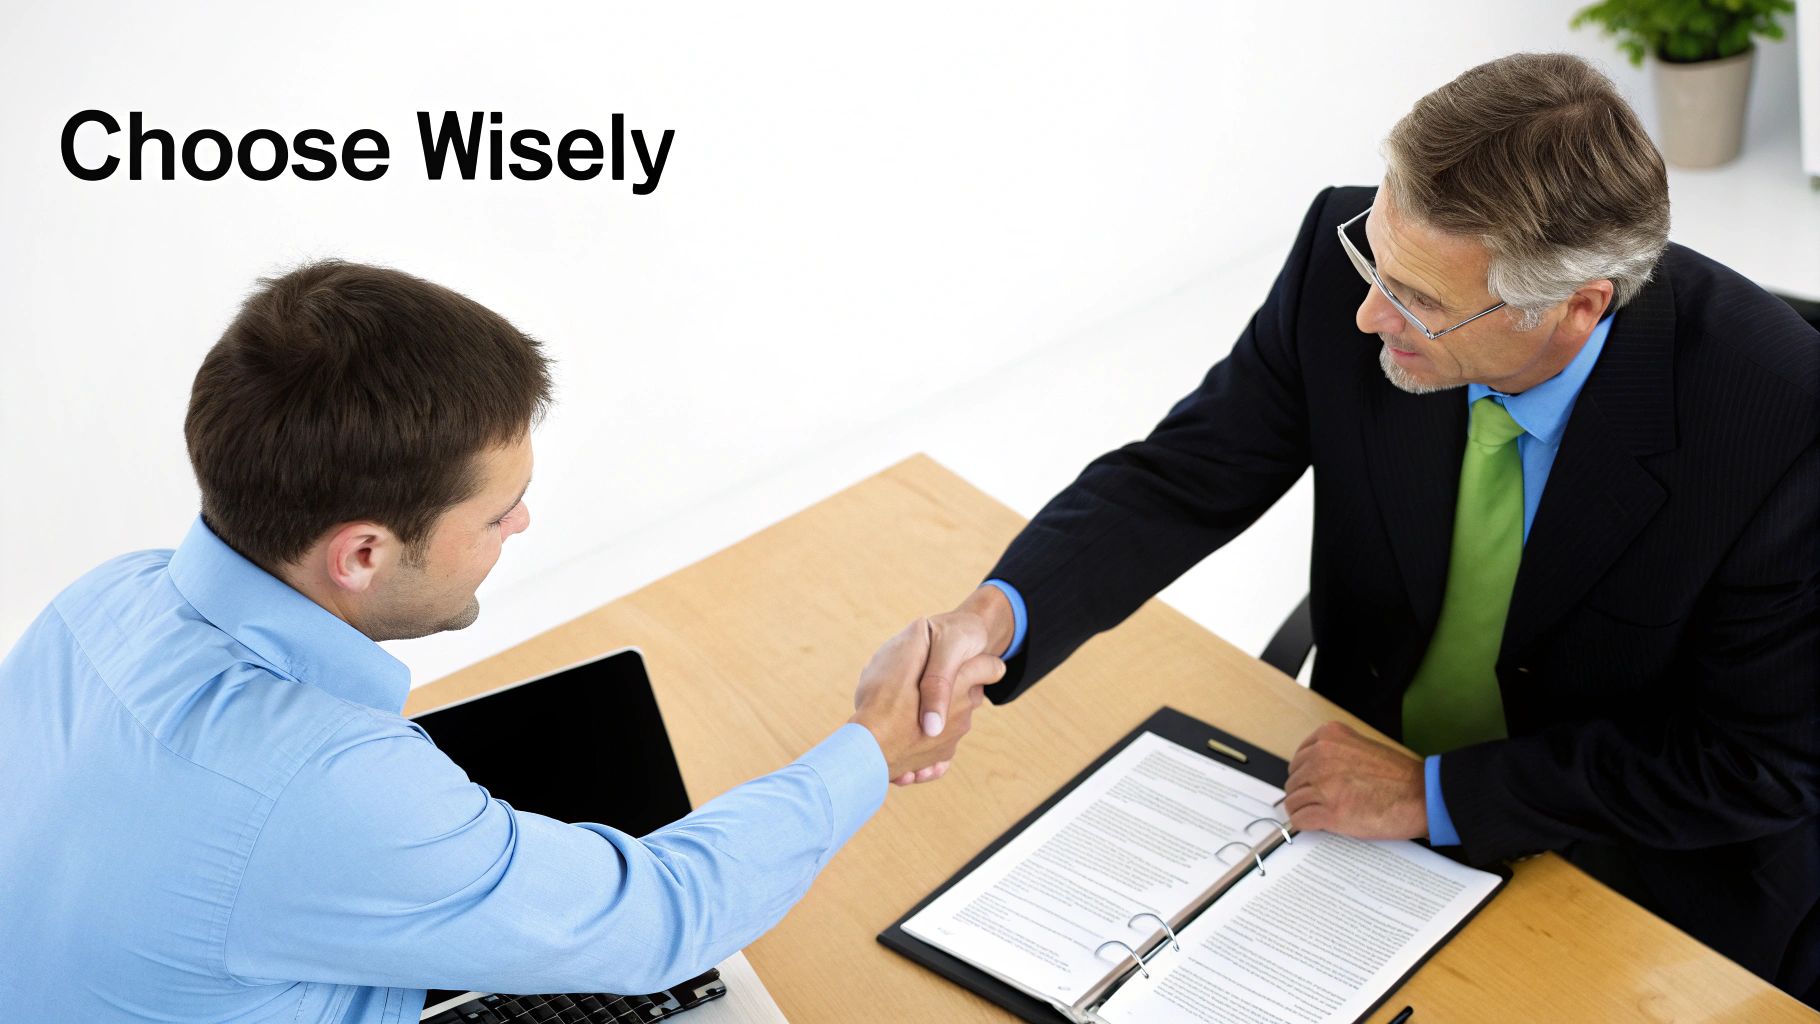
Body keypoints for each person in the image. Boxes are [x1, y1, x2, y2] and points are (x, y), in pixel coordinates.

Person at [900, 53, 1819, 1004]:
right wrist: (994, 619)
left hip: (1629, 865)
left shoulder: (1787, 430)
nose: (1371, 312)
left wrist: (1435, 797)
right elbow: (1187, 473)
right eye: (1372, 257)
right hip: (1348, 807)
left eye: (1420, 299)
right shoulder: (1361, 273)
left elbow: (1759, 765)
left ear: (1577, 307)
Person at [0, 261, 1002, 1022]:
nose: (519, 528)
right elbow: (660, 918)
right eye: (496, 512)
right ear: (360, 552)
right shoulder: (326, 786)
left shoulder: (100, 601)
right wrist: (874, 743)